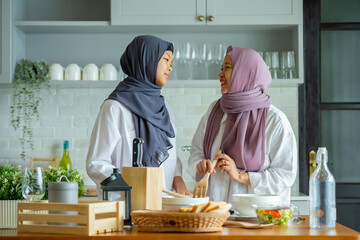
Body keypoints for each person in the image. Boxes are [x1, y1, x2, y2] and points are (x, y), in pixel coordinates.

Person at [187, 46, 297, 205]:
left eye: (227, 68)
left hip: (257, 218)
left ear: (246, 73)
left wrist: (242, 177)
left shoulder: (274, 120)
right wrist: (201, 164)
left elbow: (285, 176)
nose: (220, 74)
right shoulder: (214, 111)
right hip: (215, 214)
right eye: (221, 68)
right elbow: (196, 151)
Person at [87, 35, 191, 200]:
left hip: (163, 206)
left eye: (171, 63)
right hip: (124, 208)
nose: (170, 68)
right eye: (165, 60)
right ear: (146, 60)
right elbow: (96, 164)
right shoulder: (115, 107)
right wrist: (132, 186)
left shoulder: (165, 108)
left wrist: (178, 180)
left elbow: (167, 153)